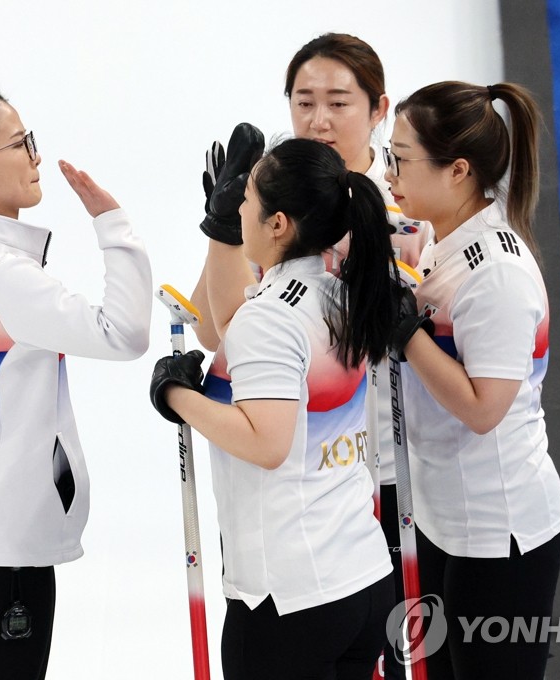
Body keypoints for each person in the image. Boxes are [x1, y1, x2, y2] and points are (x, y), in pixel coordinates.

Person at [190, 33, 424, 679]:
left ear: (378, 109)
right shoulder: (272, 194)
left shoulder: (403, 214)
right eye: (304, 100)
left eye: (338, 103)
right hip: (282, 497)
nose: (318, 119)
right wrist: (221, 228)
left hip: (373, 479)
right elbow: (218, 333)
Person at [0, 84, 152, 679]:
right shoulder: (5, 277)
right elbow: (123, 333)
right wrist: (113, 225)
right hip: (4, 549)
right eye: (19, 143)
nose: (35, 157)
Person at [149, 137, 399, 680]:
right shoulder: (339, 291)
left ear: (279, 223)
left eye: (248, 199)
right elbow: (233, 324)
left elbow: (266, 442)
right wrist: (220, 233)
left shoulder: (272, 318)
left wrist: (177, 396)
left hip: (290, 600)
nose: (240, 207)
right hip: (358, 575)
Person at [385, 81, 560, 679]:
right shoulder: (443, 242)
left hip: (501, 531)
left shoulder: (498, 274)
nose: (391, 171)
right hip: (446, 517)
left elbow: (484, 408)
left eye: (402, 158)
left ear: (458, 170)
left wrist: (405, 330)